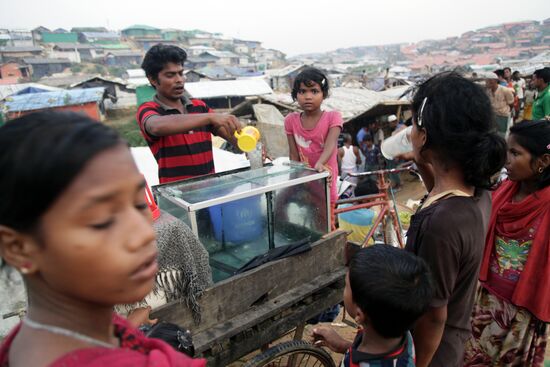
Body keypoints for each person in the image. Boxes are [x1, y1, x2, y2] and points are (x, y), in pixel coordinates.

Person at [0, 111, 205, 367]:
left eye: (138, 204)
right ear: (19, 248)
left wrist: (131, 321)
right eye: (101, 219)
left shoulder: (32, 341)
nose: (143, 234)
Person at [405, 71, 507, 367]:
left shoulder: (441, 224)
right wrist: (423, 164)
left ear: (424, 135)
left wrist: (418, 364)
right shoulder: (477, 191)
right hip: (454, 336)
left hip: (431, 351)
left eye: (413, 123)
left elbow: (433, 315)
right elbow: (438, 193)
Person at [464, 120, 550, 367]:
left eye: (515, 153)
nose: (507, 160)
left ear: (543, 161)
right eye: (507, 151)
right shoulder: (502, 191)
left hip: (522, 312)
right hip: (486, 301)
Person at [312, 245, 434, 367]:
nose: (345, 289)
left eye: (346, 285)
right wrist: (343, 346)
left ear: (359, 315)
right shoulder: (402, 336)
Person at [136, 44, 241, 184]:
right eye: (170, 75)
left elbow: (232, 136)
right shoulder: (149, 110)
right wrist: (210, 117)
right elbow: (156, 126)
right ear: (153, 79)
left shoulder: (199, 107)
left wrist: (251, 145)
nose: (179, 79)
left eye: (180, 73)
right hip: (176, 198)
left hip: (209, 193)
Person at [285, 67, 343, 205]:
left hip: (325, 182)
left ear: (324, 94)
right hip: (304, 184)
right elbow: (294, 155)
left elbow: (330, 145)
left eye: (314, 91)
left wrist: (320, 163)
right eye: (302, 91)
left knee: (326, 221)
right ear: (295, 95)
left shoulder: (333, 117)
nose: (308, 96)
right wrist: (295, 181)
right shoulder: (290, 120)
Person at [486, 72, 515, 137]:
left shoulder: (505, 90)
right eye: (487, 81)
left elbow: (511, 103)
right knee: (494, 133)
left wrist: (507, 111)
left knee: (502, 134)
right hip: (494, 115)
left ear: (494, 81)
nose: (487, 83)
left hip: (503, 115)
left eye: (489, 81)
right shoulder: (488, 91)